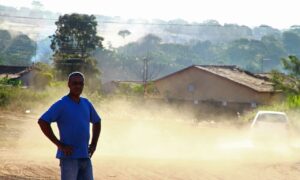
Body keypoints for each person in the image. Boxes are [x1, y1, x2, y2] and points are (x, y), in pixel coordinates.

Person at [38, 72, 101, 180]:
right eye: (75, 83)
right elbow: (42, 121)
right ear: (69, 84)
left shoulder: (86, 103)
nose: (78, 86)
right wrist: (60, 145)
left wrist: (94, 144)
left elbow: (97, 121)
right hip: (69, 157)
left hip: (85, 156)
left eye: (81, 84)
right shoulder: (61, 104)